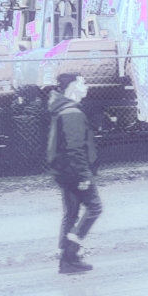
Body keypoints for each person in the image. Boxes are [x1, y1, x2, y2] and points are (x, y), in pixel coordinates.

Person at [47, 72, 102, 274]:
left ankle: (65, 258)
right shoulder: (72, 113)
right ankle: (71, 253)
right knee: (95, 208)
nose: (86, 86)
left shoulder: (62, 108)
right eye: (82, 82)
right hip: (74, 172)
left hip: (63, 170)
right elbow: (75, 148)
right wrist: (84, 176)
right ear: (72, 86)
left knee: (70, 214)